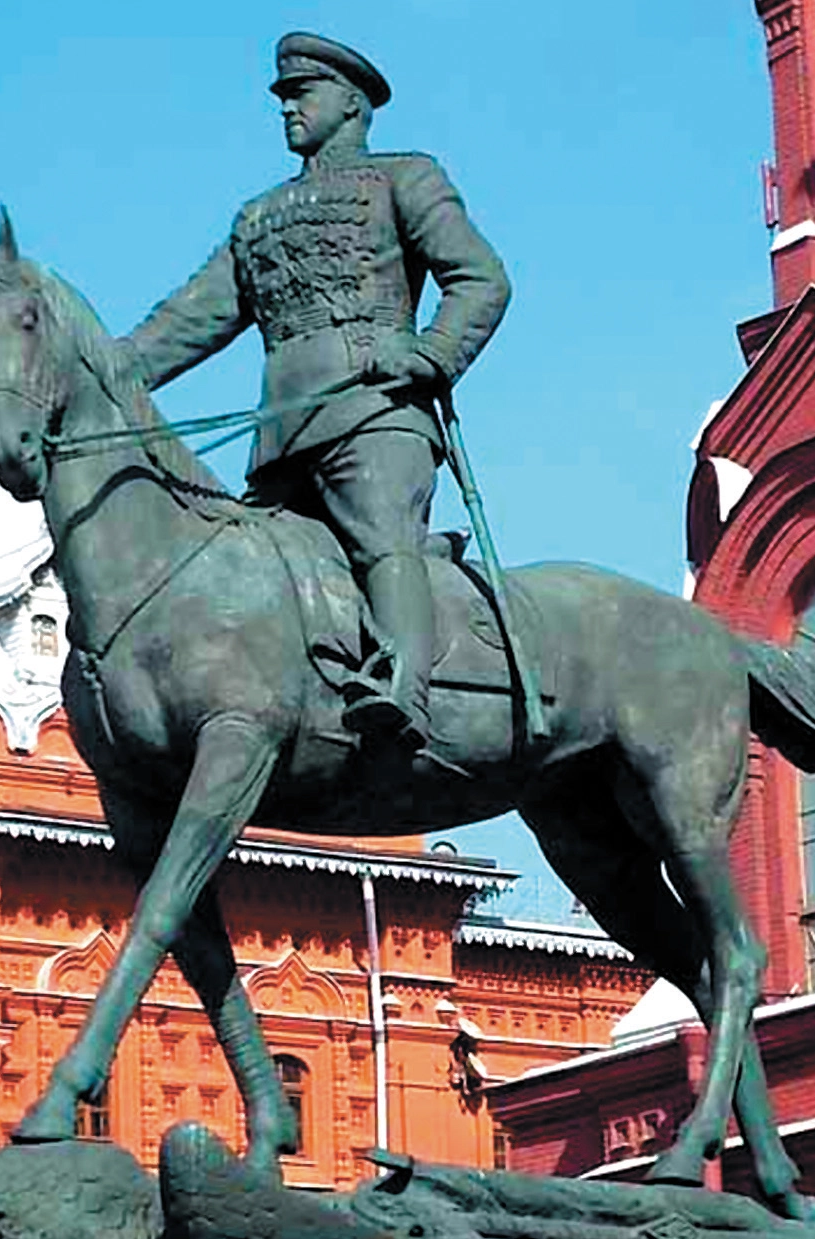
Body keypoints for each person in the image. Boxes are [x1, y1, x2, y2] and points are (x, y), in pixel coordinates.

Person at [121, 32, 511, 756]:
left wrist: (431, 353)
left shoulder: (404, 179)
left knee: (378, 535)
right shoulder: (259, 216)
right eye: (284, 99)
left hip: (374, 414)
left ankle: (402, 692)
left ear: (352, 104)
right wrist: (109, 373)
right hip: (281, 439)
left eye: (302, 95)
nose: (288, 111)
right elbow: (192, 319)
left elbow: (480, 278)